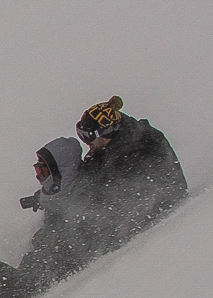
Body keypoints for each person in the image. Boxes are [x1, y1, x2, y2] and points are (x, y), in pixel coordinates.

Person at [71, 96, 187, 257]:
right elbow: (92, 176)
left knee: (75, 241)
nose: (85, 142)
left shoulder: (138, 150)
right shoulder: (111, 145)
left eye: (88, 136)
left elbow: (119, 199)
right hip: (126, 220)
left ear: (106, 131)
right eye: (81, 134)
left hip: (156, 223)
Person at [16, 136, 87, 289]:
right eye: (37, 170)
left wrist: (57, 244)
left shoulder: (84, 192)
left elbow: (83, 230)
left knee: (45, 258)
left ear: (61, 170)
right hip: (52, 248)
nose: (39, 177)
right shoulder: (57, 191)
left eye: (43, 171)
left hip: (76, 256)